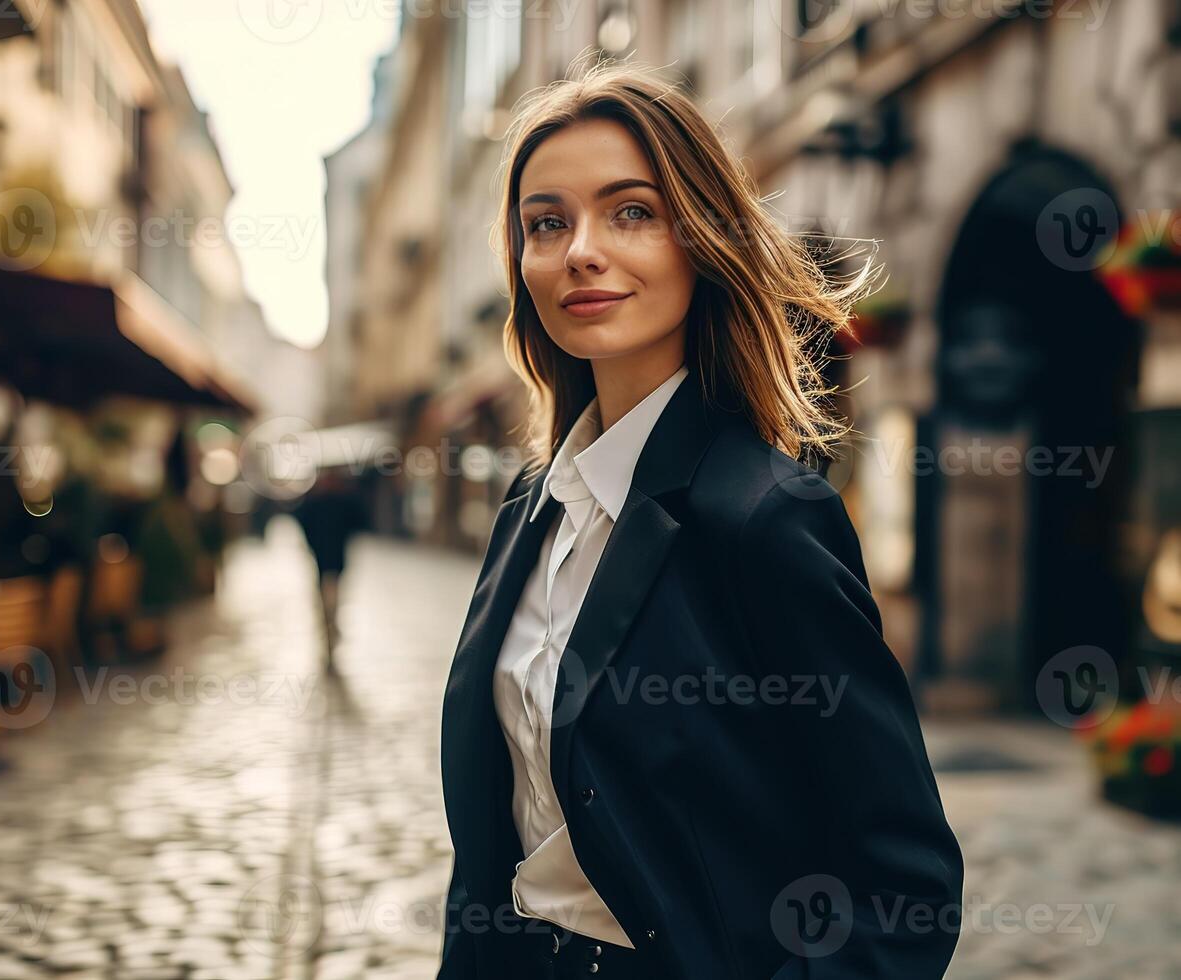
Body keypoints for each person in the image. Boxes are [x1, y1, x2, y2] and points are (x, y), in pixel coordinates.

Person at [437, 60, 964, 979]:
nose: (580, 251)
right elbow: (494, 841)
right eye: (545, 222)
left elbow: (905, 886)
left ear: (701, 239)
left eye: (630, 212)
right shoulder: (530, 507)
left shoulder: (764, 517)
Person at [293, 468, 369, 673]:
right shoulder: (313, 502)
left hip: (334, 561)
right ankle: (328, 631)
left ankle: (331, 630)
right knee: (325, 599)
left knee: (332, 599)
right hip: (322, 560)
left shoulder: (342, 502)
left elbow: (360, 521)